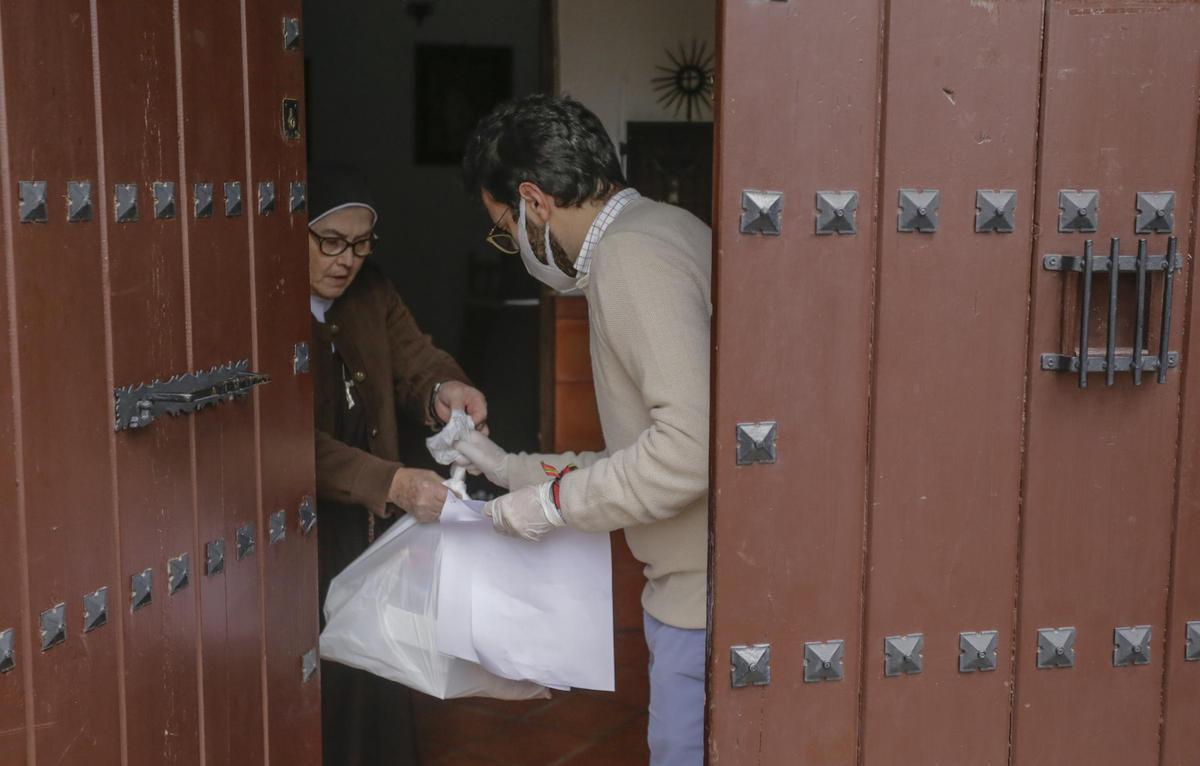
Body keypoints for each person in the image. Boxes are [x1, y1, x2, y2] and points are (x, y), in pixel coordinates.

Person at [456, 95, 711, 766]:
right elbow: (637, 454)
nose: (512, 244)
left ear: (535, 201)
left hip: (701, 602)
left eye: (502, 225)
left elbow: (687, 454)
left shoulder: (630, 259)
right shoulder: (667, 227)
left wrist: (548, 507)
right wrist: (506, 467)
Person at [307, 164, 487, 765]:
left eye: (360, 244)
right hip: (300, 533)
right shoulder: (258, 305)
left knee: (373, 679)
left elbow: (415, 359)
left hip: (365, 528)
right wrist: (393, 481)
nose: (347, 260)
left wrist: (445, 390)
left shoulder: (370, 291)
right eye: (330, 241)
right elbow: (281, 443)